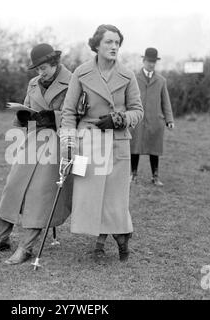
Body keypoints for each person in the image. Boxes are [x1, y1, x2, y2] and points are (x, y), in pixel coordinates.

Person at [0, 44, 73, 265]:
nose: (40, 72)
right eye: (37, 69)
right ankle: (1, 238)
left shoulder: (72, 82)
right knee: (12, 186)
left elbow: (77, 114)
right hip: (33, 140)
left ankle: (26, 247)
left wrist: (54, 117)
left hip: (57, 141)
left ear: (55, 62)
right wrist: (22, 116)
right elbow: (26, 110)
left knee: (39, 194)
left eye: (44, 68)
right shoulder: (33, 83)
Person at [60, 24, 143, 261]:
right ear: (96, 45)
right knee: (90, 194)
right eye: (109, 42)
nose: (114, 46)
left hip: (118, 142)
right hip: (87, 141)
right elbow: (68, 112)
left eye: (117, 42)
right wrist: (69, 144)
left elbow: (138, 111)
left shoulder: (127, 75)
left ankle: (119, 238)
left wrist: (119, 118)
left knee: (115, 196)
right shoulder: (81, 73)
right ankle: (101, 237)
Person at [129, 48, 174, 186]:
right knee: (134, 147)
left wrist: (169, 119)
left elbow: (165, 101)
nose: (151, 64)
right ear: (143, 61)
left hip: (155, 120)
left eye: (154, 62)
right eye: (149, 61)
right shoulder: (134, 78)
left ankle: (155, 176)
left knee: (154, 149)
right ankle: (133, 174)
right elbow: (128, 98)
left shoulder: (161, 80)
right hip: (137, 120)